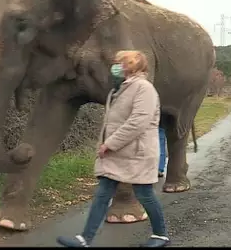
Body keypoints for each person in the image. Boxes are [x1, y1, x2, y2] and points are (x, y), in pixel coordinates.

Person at [56, 50, 170, 248]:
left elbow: (138, 122)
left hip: (137, 153)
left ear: (132, 65)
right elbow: (113, 121)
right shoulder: (118, 89)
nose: (115, 66)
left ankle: (161, 236)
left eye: (120, 63)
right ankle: (85, 239)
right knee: (102, 193)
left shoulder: (144, 88)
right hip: (118, 153)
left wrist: (110, 144)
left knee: (144, 194)